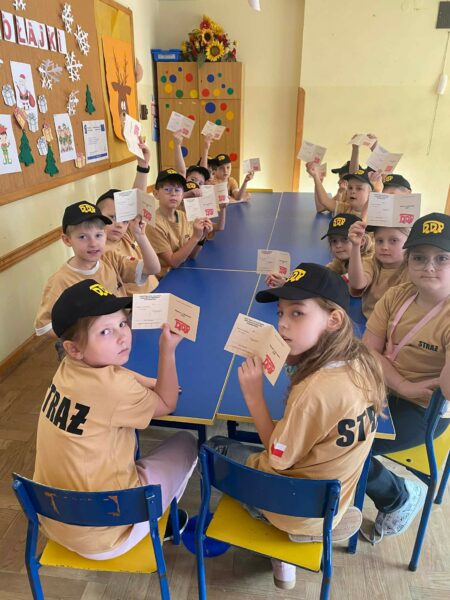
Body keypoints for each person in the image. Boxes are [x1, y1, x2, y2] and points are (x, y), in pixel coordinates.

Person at [206, 263, 385, 590]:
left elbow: (279, 461)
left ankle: (279, 537)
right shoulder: (364, 360)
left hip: (294, 506)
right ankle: (309, 527)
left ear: (333, 320)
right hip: (335, 495)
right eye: (281, 313)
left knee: (214, 448)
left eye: (297, 313)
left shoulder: (313, 392)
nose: (283, 324)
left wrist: (254, 396)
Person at [33, 279, 197, 558]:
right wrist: (167, 350)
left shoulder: (68, 367)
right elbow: (167, 403)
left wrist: (149, 381)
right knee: (186, 442)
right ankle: (158, 520)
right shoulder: (116, 390)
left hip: (53, 519)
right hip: (107, 534)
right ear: (74, 348)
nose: (123, 337)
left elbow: (115, 375)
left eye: (122, 323)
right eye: (106, 331)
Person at [362, 213, 450, 543]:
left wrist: (407, 389)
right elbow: (368, 351)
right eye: (420, 258)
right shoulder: (396, 296)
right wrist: (402, 384)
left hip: (424, 410)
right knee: (326, 428)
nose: (430, 267)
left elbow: (447, 391)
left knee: (350, 445)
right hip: (385, 388)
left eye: (442, 258)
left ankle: (398, 497)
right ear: (408, 261)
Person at [34, 201, 160, 337]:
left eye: (98, 235)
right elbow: (44, 327)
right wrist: (86, 336)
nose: (93, 243)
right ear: (67, 240)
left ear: (105, 235)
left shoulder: (110, 259)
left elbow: (152, 268)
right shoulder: (60, 280)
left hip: (121, 328)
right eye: (83, 237)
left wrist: (140, 236)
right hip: (93, 343)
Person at [147, 169, 214, 279]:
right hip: (163, 279)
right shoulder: (154, 224)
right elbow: (173, 262)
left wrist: (202, 236)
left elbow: (192, 255)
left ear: (182, 194)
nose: (173, 193)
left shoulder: (182, 216)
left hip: (181, 272)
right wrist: (195, 237)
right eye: (167, 189)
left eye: (177, 190)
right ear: (156, 194)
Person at [347, 221, 410, 319]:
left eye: (393, 240)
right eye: (379, 241)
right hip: (371, 320)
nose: (384, 247)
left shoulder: (412, 269)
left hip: (399, 323)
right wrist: (355, 246)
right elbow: (357, 284)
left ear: (409, 242)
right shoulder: (371, 263)